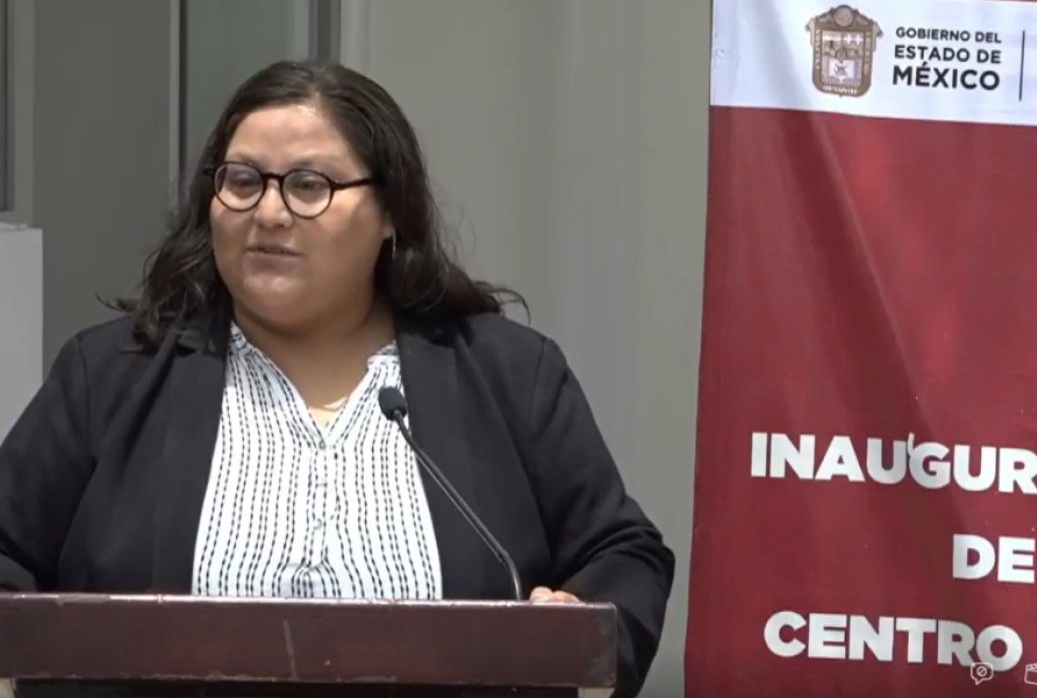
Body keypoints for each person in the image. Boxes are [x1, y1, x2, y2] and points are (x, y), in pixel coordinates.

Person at [0, 60, 674, 697]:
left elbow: (623, 553)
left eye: (309, 186)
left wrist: (576, 619)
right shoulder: (112, 376)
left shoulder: (508, 374)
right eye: (243, 181)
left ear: (389, 213)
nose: (268, 213)